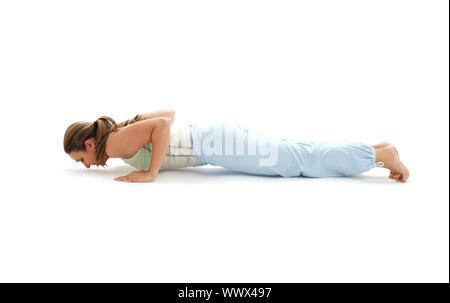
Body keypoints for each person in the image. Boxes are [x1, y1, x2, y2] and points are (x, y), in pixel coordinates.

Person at [63, 109, 409, 183]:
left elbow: (160, 125)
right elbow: (167, 116)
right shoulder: (121, 137)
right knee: (295, 152)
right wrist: (137, 122)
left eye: (81, 158)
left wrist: (150, 172)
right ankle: (374, 149)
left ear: (90, 144)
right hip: (218, 136)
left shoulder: (118, 143)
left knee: (296, 164)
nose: (86, 164)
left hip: (216, 145)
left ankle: (378, 156)